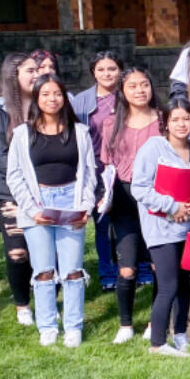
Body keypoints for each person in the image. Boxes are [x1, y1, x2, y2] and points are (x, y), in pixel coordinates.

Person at [6, 75, 97, 348]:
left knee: (72, 271)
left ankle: (73, 327)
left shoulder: (79, 132)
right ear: (36, 98)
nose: (52, 99)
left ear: (64, 97)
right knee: (44, 270)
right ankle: (47, 326)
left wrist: (86, 206)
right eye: (45, 94)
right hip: (37, 203)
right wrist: (32, 210)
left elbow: (90, 173)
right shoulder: (23, 134)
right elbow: (15, 176)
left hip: (71, 202)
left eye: (57, 93)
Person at [130, 100, 190, 356]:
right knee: (168, 285)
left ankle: (180, 334)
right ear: (166, 123)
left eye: (187, 119)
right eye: (176, 119)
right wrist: (172, 206)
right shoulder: (154, 147)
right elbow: (139, 187)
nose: (182, 124)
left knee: (182, 284)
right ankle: (157, 343)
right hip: (160, 228)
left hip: (186, 227)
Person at [101, 67, 164, 343]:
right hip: (124, 198)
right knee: (127, 267)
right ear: (122, 92)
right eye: (133, 86)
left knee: (157, 265)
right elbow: (107, 163)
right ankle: (125, 324)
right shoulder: (111, 123)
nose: (140, 90)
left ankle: (155, 320)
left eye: (144, 85)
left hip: (156, 196)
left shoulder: (163, 120)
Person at [0, 53, 41, 327]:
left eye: (38, 69)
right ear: (13, 76)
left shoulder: (47, 105)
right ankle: (22, 305)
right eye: (30, 70)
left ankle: (45, 299)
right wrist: (30, 178)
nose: (36, 74)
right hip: (11, 193)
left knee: (43, 249)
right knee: (18, 252)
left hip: (47, 190)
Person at [72, 51, 124, 291]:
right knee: (102, 222)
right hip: (95, 169)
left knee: (130, 220)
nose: (107, 74)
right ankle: (107, 273)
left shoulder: (129, 94)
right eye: (101, 69)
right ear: (93, 72)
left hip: (125, 167)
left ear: (120, 71)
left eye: (112, 68)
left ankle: (140, 267)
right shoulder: (81, 101)